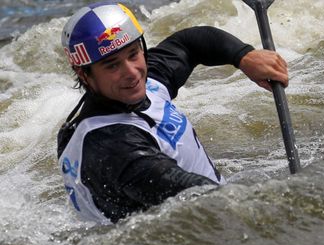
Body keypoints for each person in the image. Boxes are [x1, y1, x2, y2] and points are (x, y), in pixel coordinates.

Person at [57, 2, 289, 224]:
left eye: (133, 54)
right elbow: (194, 193)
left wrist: (244, 56)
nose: (132, 72)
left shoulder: (139, 86)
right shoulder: (110, 146)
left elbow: (188, 44)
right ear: (84, 74)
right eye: (112, 65)